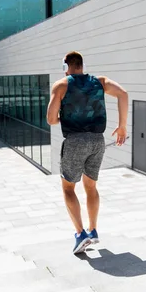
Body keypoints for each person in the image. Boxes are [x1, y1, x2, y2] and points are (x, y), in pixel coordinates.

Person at [46, 51, 128, 254]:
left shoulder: (62, 85)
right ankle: (93, 230)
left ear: (67, 67)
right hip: (97, 141)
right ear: (81, 65)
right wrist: (122, 126)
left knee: (68, 188)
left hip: (75, 141)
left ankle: (80, 234)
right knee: (90, 186)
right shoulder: (100, 82)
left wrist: (63, 119)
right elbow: (123, 94)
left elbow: (50, 119)